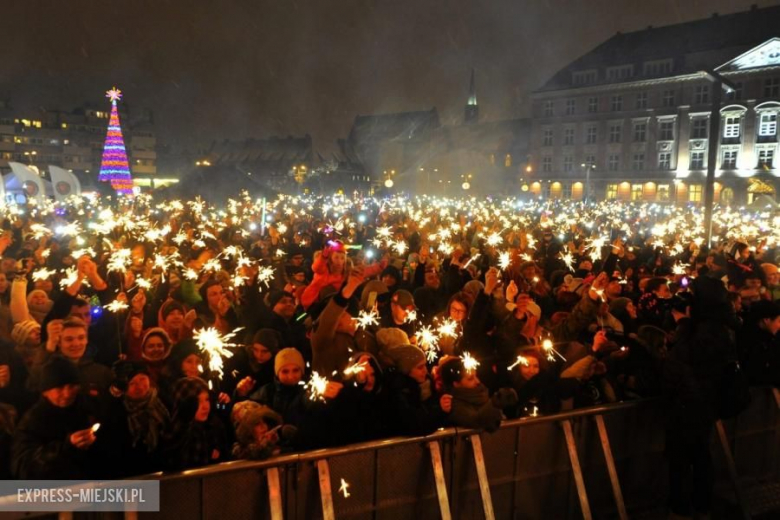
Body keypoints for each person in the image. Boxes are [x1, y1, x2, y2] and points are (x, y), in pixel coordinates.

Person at [12, 357, 102, 479]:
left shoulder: (89, 407)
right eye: (59, 388)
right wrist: (66, 447)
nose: (67, 393)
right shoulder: (33, 420)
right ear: (45, 392)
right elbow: (23, 467)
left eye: (71, 386)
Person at [105, 361, 170, 477]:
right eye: (132, 383)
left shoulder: (162, 401)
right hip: (131, 474)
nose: (139, 386)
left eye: (142, 379)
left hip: (163, 470)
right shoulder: (119, 410)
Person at [435, 356, 517, 432]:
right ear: (456, 383)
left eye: (476, 376)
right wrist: (495, 403)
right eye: (470, 379)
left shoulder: (481, 395)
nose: (477, 381)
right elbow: (475, 420)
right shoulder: (452, 403)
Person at [162, 376, 226, 471]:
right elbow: (172, 461)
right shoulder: (175, 431)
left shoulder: (214, 425)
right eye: (198, 401)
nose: (205, 406)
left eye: (207, 399)